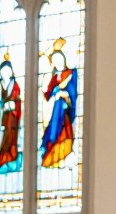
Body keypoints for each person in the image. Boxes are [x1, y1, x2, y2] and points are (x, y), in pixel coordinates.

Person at [39, 39, 77, 168]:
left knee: (64, 132)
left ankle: (65, 155)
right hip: (54, 111)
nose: (57, 62)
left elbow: (73, 92)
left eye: (59, 59)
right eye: (54, 60)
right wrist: (46, 88)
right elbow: (47, 94)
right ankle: (52, 156)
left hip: (64, 110)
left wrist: (64, 94)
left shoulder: (70, 73)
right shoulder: (54, 78)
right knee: (52, 132)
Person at [0, 55, 22, 174]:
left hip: (11, 119)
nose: (5, 73)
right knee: (0, 138)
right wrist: (1, 107)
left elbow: (18, 100)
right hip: (0, 117)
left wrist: (13, 105)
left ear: (11, 72)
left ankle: (10, 158)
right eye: (2, 71)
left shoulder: (15, 84)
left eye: (7, 71)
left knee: (10, 138)